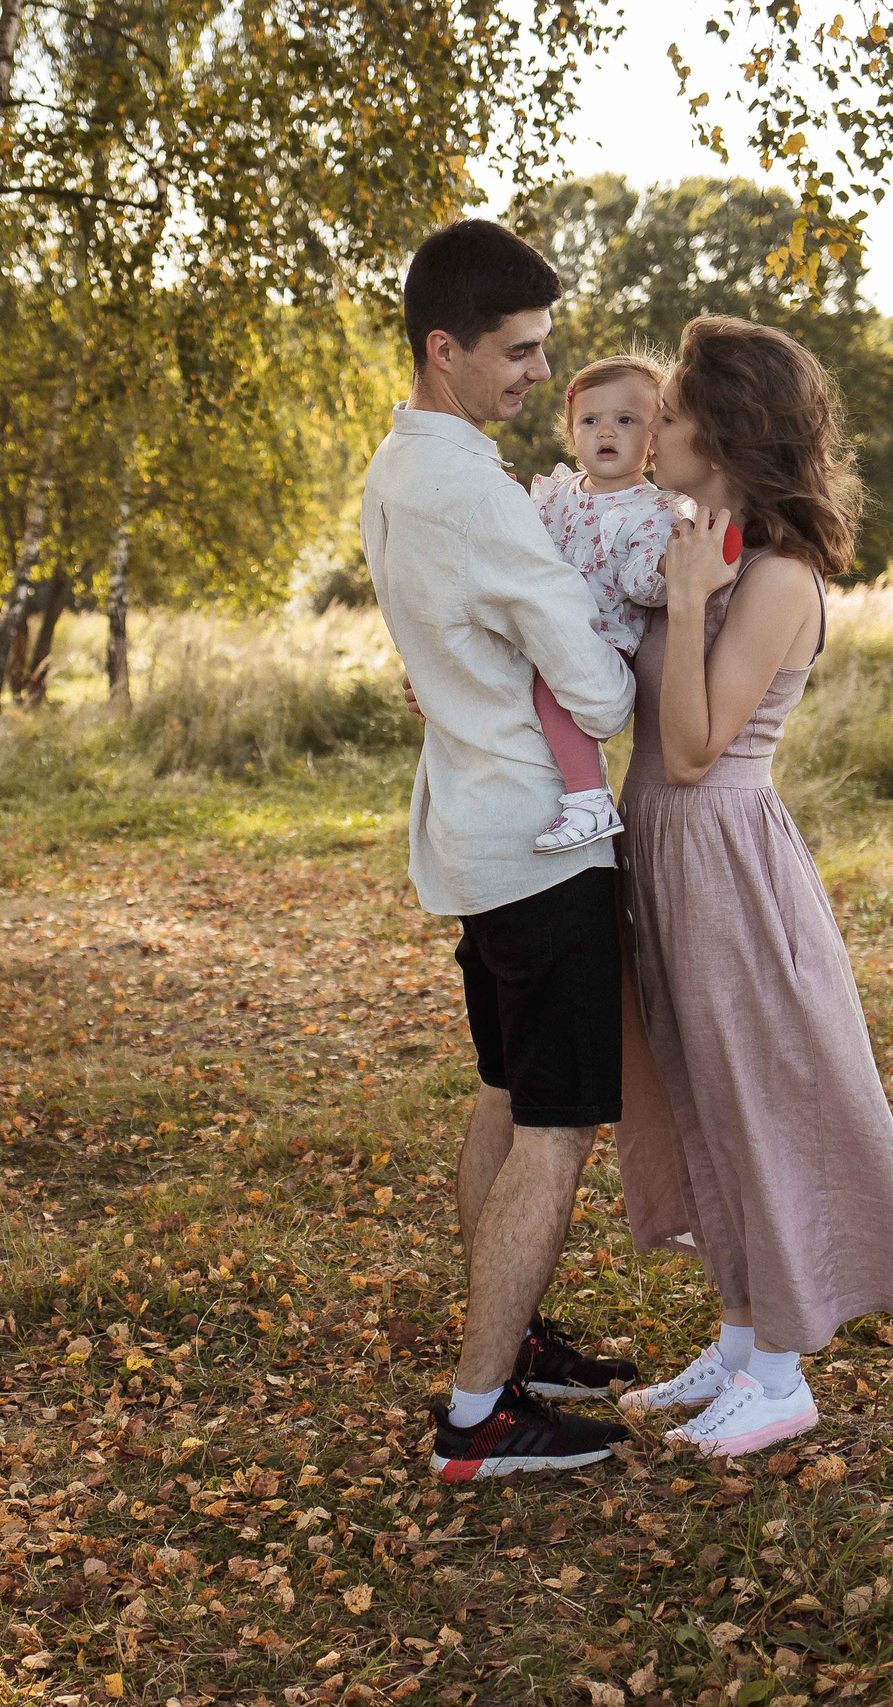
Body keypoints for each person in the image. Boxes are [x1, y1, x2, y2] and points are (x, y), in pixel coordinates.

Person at [605, 316, 893, 1458]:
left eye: (672, 411)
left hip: (721, 855)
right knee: (704, 1094)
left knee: (757, 1096)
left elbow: (695, 749)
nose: (652, 428)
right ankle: (743, 1336)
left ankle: (786, 1373)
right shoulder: (703, 542)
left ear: (725, 430)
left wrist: (693, 599)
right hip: (660, 848)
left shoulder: (778, 577)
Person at [359, 219, 643, 1483]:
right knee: (555, 1122)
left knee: (499, 1092)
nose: (539, 374)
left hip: (476, 831)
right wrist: (643, 644)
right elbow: (594, 690)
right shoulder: (474, 488)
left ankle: (510, 1342)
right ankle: (479, 1419)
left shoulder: (397, 465)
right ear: (446, 348)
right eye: (519, 352)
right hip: (539, 840)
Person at [524, 353, 738, 853]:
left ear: (652, 437)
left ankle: (589, 800)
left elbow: (643, 585)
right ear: (571, 431)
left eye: (626, 421)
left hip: (600, 643)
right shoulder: (556, 495)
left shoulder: (658, 510)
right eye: (590, 421)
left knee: (551, 692)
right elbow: (522, 556)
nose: (606, 433)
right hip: (544, 629)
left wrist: (667, 567)